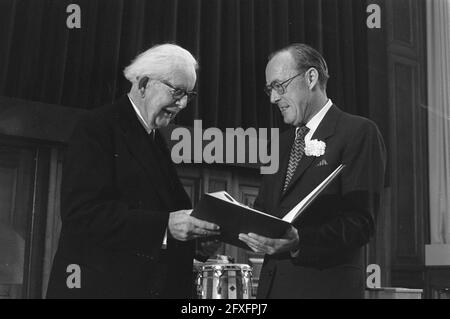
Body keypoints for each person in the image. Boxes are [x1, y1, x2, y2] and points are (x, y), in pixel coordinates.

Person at [46, 44, 220, 299]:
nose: (183, 104)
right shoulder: (97, 127)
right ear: (144, 84)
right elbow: (82, 214)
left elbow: (160, 215)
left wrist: (197, 245)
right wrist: (166, 225)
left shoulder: (153, 137)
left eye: (189, 95)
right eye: (178, 92)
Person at [239, 43, 386, 299]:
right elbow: (266, 211)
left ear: (310, 78)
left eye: (279, 86)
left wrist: (300, 241)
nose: (273, 98)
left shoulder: (359, 132)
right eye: (269, 89)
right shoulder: (280, 144)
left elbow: (361, 223)